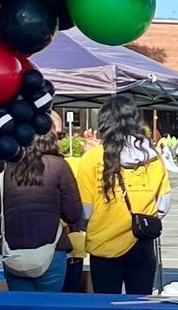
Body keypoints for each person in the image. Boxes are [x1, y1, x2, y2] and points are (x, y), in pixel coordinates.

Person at [72, 99, 169, 295]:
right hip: (141, 242)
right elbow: (163, 205)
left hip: (103, 245)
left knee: (107, 306)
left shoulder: (92, 158)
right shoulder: (152, 157)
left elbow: (84, 211)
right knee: (139, 305)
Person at [0, 116, 87, 292]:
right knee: (48, 306)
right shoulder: (59, 166)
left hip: (13, 253)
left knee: (21, 307)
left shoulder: (5, 169)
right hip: (51, 251)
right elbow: (73, 214)